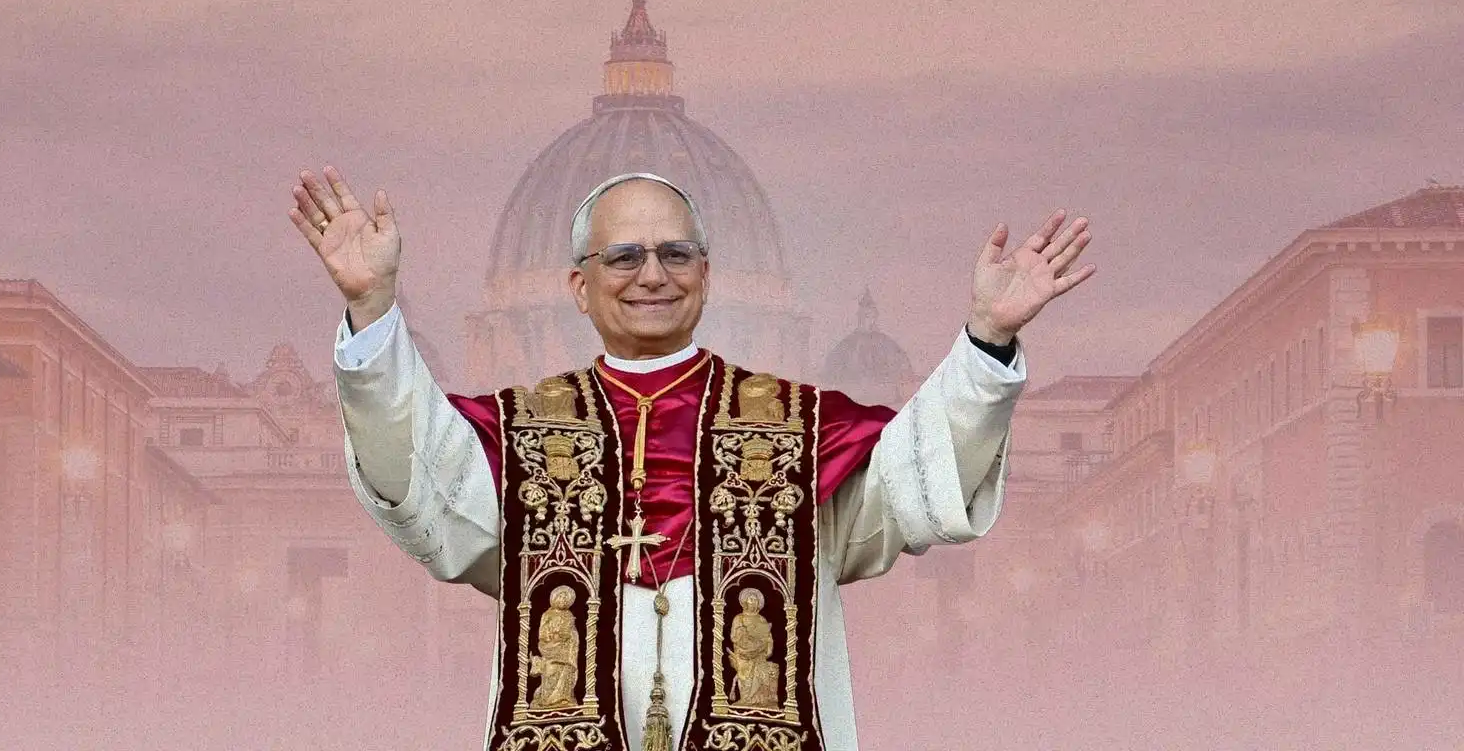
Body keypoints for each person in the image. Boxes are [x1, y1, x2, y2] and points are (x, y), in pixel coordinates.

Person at [290, 165, 1096, 751]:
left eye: (675, 255)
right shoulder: (518, 435)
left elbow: (920, 475)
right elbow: (414, 476)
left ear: (707, 277)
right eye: (624, 257)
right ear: (578, 286)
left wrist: (988, 340)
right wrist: (372, 309)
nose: (653, 275)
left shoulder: (803, 431)